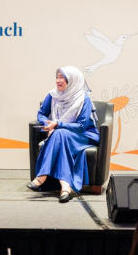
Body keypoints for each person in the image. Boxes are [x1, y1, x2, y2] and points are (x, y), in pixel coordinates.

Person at [27, 66, 99, 203]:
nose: (58, 81)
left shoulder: (83, 99)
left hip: (84, 135)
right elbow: (41, 114)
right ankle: (65, 187)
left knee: (60, 133)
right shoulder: (53, 95)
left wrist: (58, 124)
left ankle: (41, 176)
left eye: (62, 78)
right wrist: (47, 122)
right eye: (57, 77)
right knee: (61, 135)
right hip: (63, 135)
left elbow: (81, 126)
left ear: (72, 80)